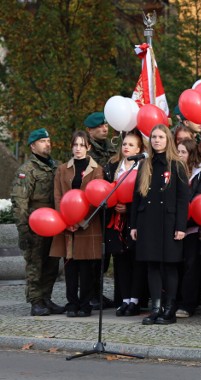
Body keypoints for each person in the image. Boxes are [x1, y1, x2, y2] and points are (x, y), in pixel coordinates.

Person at [131, 124, 189, 325]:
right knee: (152, 265)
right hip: (147, 221)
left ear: (168, 140)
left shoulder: (176, 165)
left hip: (169, 221)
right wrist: (133, 225)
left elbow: (183, 199)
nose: (156, 140)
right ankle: (155, 308)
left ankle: (169, 309)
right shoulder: (145, 164)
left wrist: (181, 226)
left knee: (169, 266)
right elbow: (137, 197)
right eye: (154, 137)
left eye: (160, 137)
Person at [10, 128, 65, 316]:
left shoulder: (57, 167)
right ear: (33, 146)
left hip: (55, 222)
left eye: (48, 140)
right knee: (35, 264)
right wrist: (24, 230)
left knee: (52, 263)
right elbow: (20, 202)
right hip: (36, 224)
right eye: (42, 141)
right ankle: (35, 301)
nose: (47, 144)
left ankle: (46, 298)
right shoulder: (27, 171)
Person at [50, 131, 104, 317]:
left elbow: (96, 196)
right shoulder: (62, 169)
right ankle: (72, 302)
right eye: (75, 145)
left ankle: (85, 303)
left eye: (82, 145)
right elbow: (57, 196)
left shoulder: (97, 169)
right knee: (70, 265)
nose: (78, 148)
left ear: (88, 147)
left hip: (87, 224)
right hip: (66, 224)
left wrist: (81, 220)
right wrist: (65, 219)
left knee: (86, 267)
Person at [104, 130, 147, 317]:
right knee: (120, 260)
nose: (126, 147)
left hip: (134, 220)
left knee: (135, 260)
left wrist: (128, 209)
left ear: (139, 148)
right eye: (125, 144)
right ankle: (124, 299)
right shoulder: (114, 167)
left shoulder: (144, 168)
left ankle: (135, 300)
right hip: (116, 221)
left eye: (131, 145)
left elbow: (144, 197)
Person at [175, 138, 201, 318]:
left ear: (191, 154)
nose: (180, 155)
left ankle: (188, 303)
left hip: (192, 228)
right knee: (177, 265)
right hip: (175, 226)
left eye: (183, 152)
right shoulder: (174, 171)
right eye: (177, 151)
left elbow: (196, 201)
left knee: (191, 266)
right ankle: (175, 300)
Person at [84, 112, 116, 309]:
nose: (104, 129)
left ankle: (98, 292)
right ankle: (89, 294)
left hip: (109, 207)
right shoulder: (87, 152)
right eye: (99, 127)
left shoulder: (111, 150)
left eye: (105, 125)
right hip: (91, 209)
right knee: (92, 255)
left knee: (105, 255)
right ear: (89, 130)